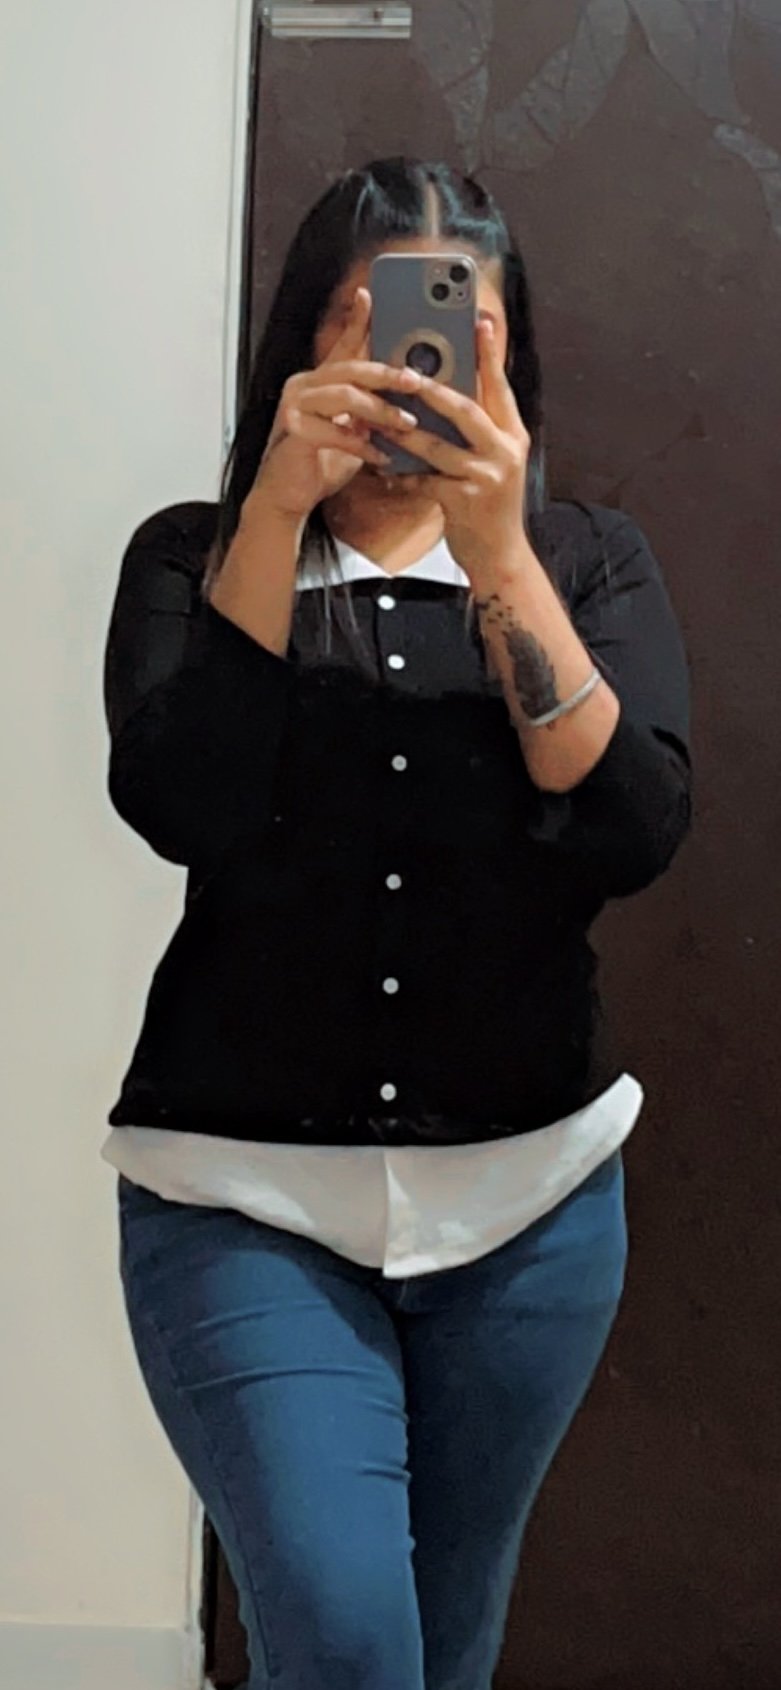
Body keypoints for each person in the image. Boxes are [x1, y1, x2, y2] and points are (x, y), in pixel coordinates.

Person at [102, 158, 691, 1690]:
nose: (407, 360)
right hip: (242, 1200)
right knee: (351, 1640)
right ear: (305, 340)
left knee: (445, 1642)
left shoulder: (583, 565)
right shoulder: (195, 556)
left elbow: (630, 828)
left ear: (509, 357)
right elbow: (184, 802)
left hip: (528, 1215)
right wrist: (276, 507)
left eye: (448, 326)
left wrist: (497, 553)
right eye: (365, 322)